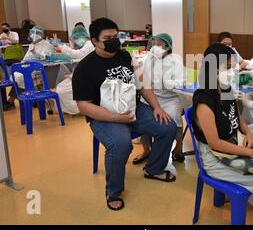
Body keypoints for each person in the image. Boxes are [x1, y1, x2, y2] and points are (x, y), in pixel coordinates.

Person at [72, 18, 177, 211]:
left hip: (133, 109)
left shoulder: (125, 57)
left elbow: (143, 84)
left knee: (168, 127)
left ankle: (153, 169)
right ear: (94, 41)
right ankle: (113, 191)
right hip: (104, 116)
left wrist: (156, 107)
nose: (114, 41)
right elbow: (84, 106)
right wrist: (114, 118)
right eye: (108, 38)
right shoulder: (84, 69)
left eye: (116, 36)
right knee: (120, 144)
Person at [192, 43, 253, 225]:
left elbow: (236, 117)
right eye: (228, 67)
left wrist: (248, 134)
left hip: (235, 145)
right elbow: (215, 143)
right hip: (215, 157)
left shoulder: (225, 89)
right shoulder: (204, 100)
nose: (233, 71)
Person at [133, 33, 187, 164]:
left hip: (170, 98)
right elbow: (141, 79)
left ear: (168, 47)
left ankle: (178, 149)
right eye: (153, 43)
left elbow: (182, 82)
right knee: (144, 119)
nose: (155, 47)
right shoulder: (149, 59)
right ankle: (146, 150)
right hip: (149, 98)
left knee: (175, 119)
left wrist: (168, 82)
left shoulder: (176, 60)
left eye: (159, 44)